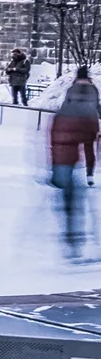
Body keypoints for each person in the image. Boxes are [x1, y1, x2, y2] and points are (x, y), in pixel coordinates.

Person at [48, 67, 99, 261]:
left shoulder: (70, 92)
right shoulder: (93, 91)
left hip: (64, 144)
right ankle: (89, 173)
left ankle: (72, 241)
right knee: (89, 151)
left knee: (69, 196)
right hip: (88, 124)